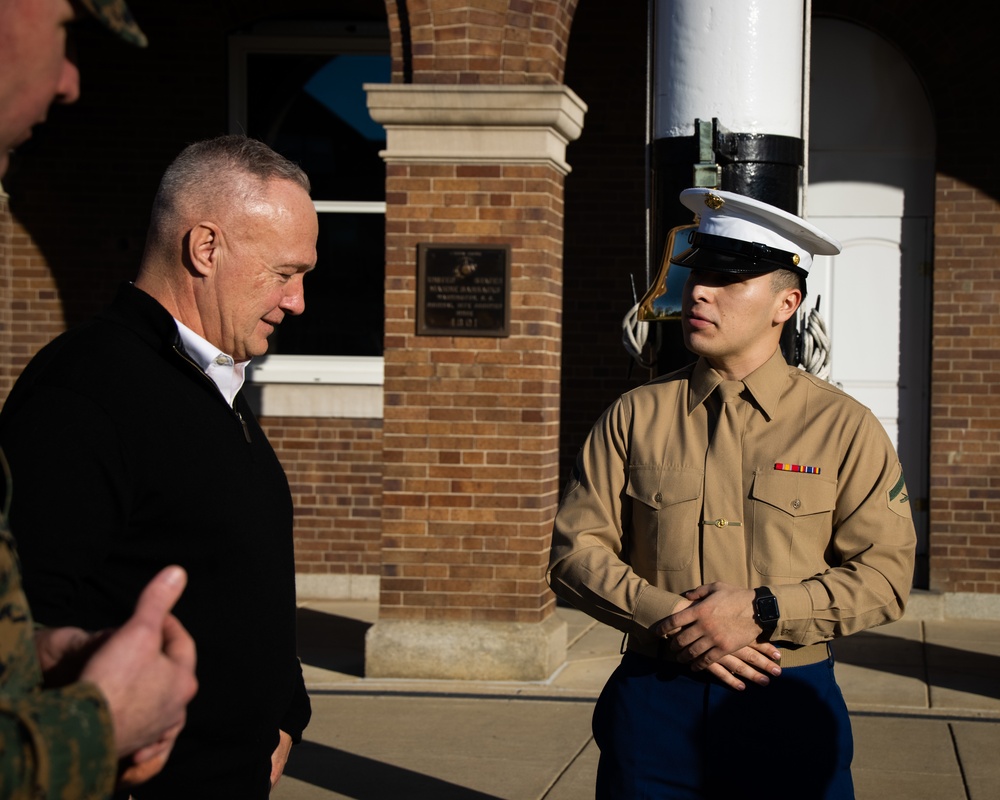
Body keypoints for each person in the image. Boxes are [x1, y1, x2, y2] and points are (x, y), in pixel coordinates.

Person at [548, 188, 917, 799]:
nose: (698, 291)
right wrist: (675, 620)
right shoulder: (635, 416)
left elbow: (885, 576)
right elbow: (574, 552)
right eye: (698, 274)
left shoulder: (844, 427)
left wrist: (763, 611)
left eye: (728, 279)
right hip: (654, 704)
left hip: (788, 703)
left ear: (786, 303)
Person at [0, 133, 316, 799]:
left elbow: (236, 578)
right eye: (284, 273)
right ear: (206, 247)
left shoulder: (207, 386)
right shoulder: (85, 390)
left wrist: (285, 715)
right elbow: (29, 623)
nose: (297, 302)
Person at [0, 1, 199, 797]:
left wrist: (33, 662)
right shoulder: (85, 387)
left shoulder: (207, 390)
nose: (72, 81)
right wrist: (93, 724)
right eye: (66, 30)